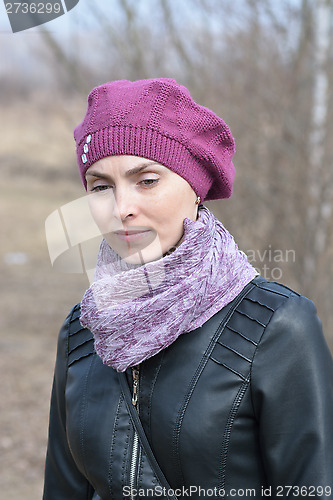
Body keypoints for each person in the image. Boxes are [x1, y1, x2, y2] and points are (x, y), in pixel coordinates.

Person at [43, 79, 333, 500]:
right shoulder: (83, 330)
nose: (121, 207)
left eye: (146, 180)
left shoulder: (277, 327)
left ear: (196, 189)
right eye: (101, 186)